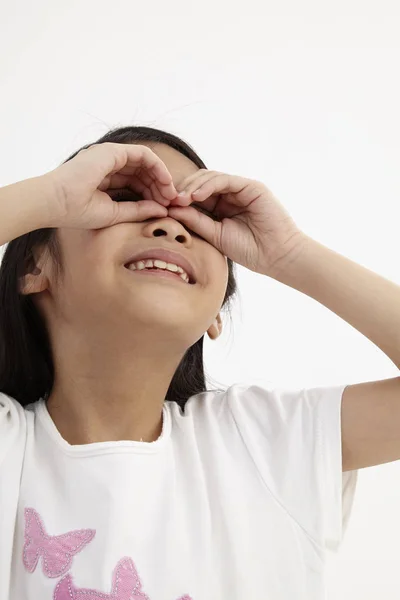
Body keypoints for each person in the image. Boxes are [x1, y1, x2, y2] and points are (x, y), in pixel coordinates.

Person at [0, 125, 360, 600]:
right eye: (123, 199)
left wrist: (290, 254)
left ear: (216, 313)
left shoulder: (263, 446)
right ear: (34, 268)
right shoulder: (11, 450)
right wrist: (50, 195)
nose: (171, 226)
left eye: (200, 219)